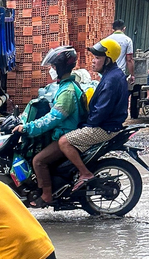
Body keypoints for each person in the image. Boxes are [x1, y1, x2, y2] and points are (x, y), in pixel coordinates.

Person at [12, 46, 83, 207]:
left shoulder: (67, 92)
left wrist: (28, 128)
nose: (51, 70)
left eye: (54, 67)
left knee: (38, 161)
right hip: (61, 132)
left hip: (66, 135)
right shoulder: (66, 86)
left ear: (61, 67)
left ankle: (47, 195)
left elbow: (53, 119)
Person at [58, 38, 129, 192]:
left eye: (97, 58)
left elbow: (100, 112)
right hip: (108, 124)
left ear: (108, 60)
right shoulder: (113, 75)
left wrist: (85, 125)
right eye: (94, 57)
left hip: (105, 128)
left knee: (64, 142)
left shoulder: (111, 81)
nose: (93, 62)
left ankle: (85, 174)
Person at [109, 19, 134, 84]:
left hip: (108, 73)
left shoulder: (107, 40)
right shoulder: (127, 40)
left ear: (113, 29)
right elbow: (129, 60)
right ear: (124, 28)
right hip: (120, 72)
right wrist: (132, 75)